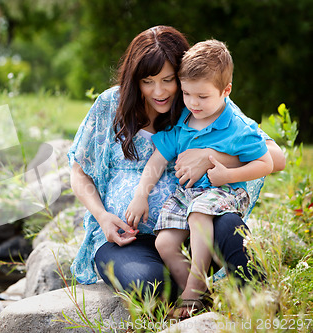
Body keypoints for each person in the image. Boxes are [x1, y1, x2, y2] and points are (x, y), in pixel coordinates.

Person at [68, 25, 285, 305]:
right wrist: (102, 217)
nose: (159, 91)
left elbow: (274, 157)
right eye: (148, 81)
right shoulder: (111, 104)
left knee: (230, 226)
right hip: (128, 239)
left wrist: (208, 156)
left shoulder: (198, 101)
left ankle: (259, 302)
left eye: (168, 80)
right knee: (150, 286)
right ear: (135, 79)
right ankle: (192, 293)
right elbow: (79, 171)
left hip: (194, 229)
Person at [125, 39, 274, 318]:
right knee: (165, 243)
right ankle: (202, 296)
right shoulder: (183, 121)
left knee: (199, 214)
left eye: (202, 97)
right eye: (186, 94)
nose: (193, 103)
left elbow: (266, 162)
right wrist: (140, 194)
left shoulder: (239, 127)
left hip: (225, 191)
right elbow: (158, 159)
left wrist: (229, 174)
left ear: (226, 91)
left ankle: (191, 294)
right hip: (187, 194)